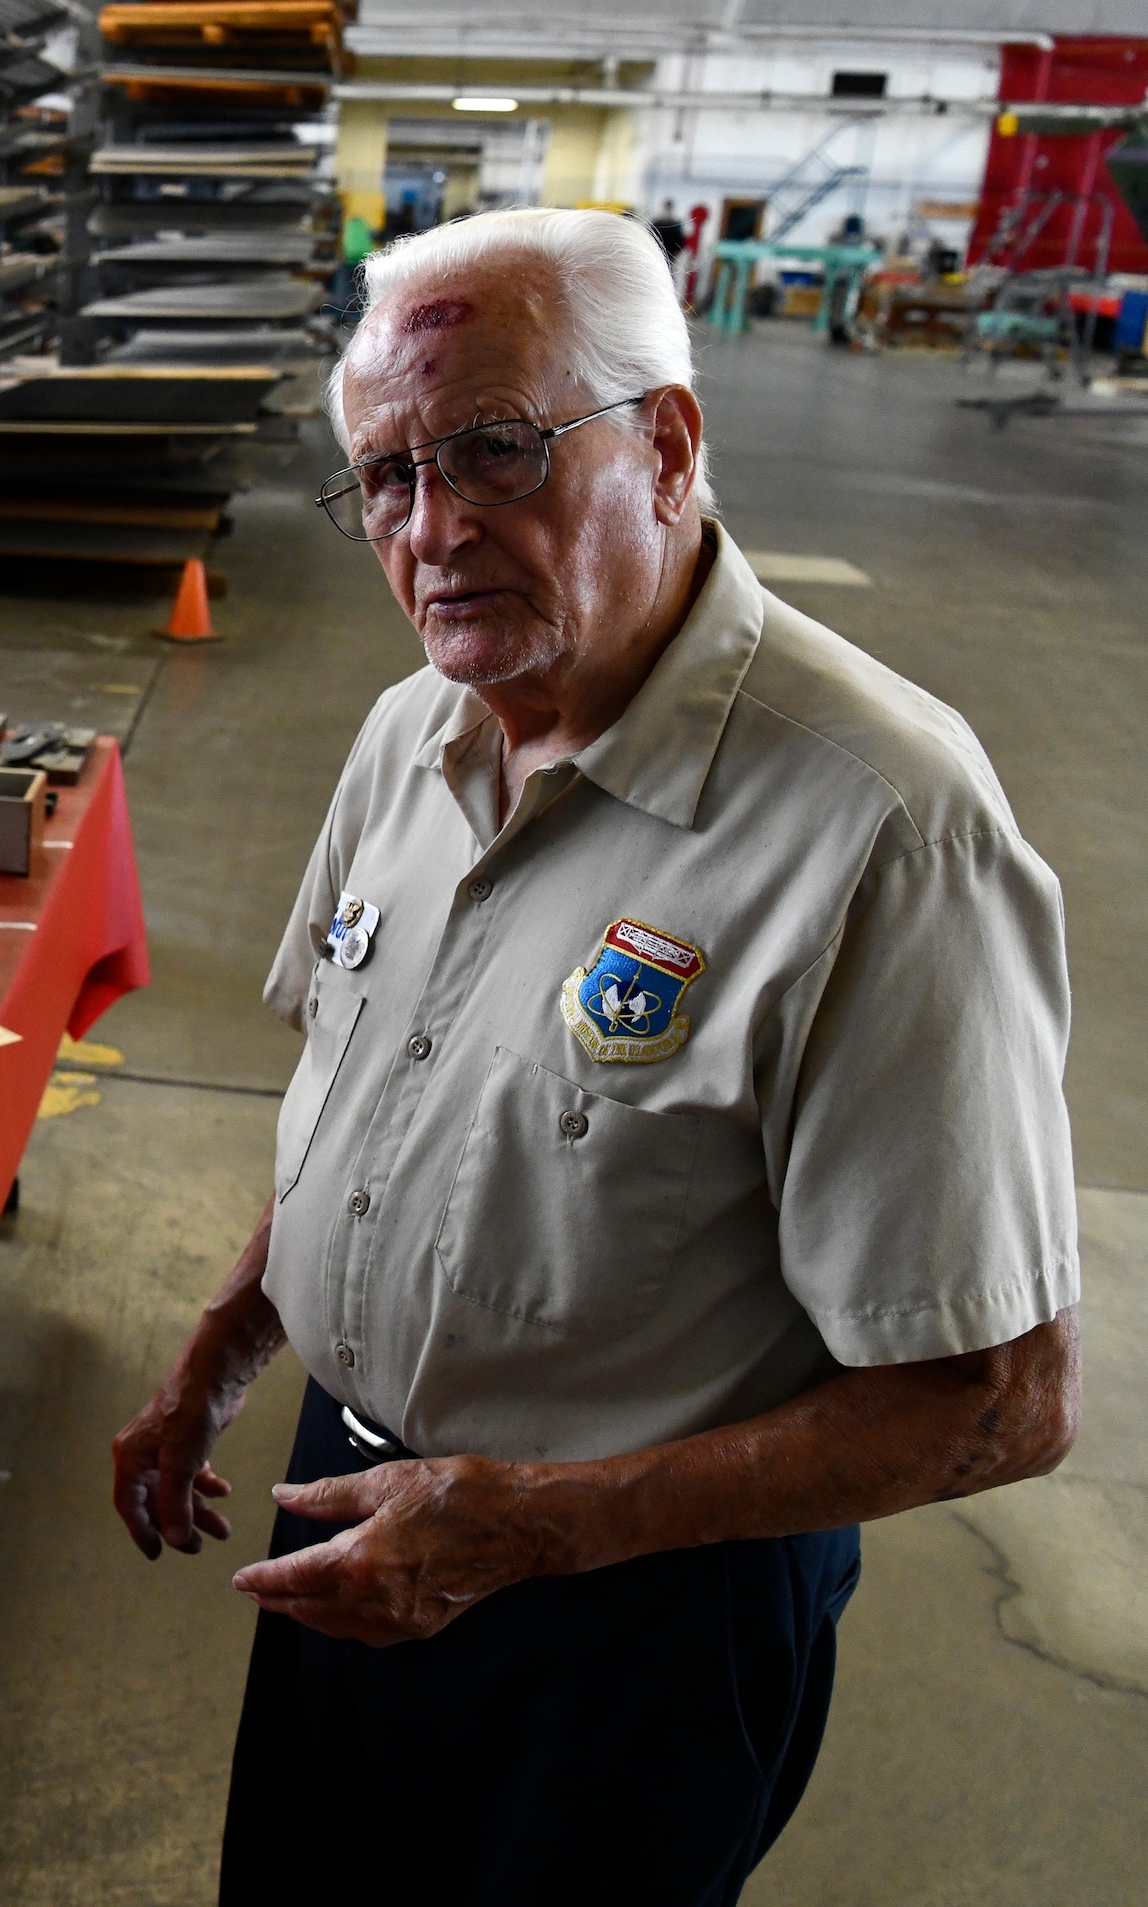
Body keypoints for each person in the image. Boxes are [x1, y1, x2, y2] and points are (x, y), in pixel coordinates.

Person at [111, 207, 1080, 1904]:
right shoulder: (414, 729)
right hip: (355, 1498)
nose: (436, 532)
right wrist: (223, 1349)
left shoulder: (881, 827)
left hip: (637, 1602)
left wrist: (535, 1530)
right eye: (388, 480)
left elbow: (997, 1402)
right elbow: (374, 1105)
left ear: (668, 443)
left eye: (495, 451)